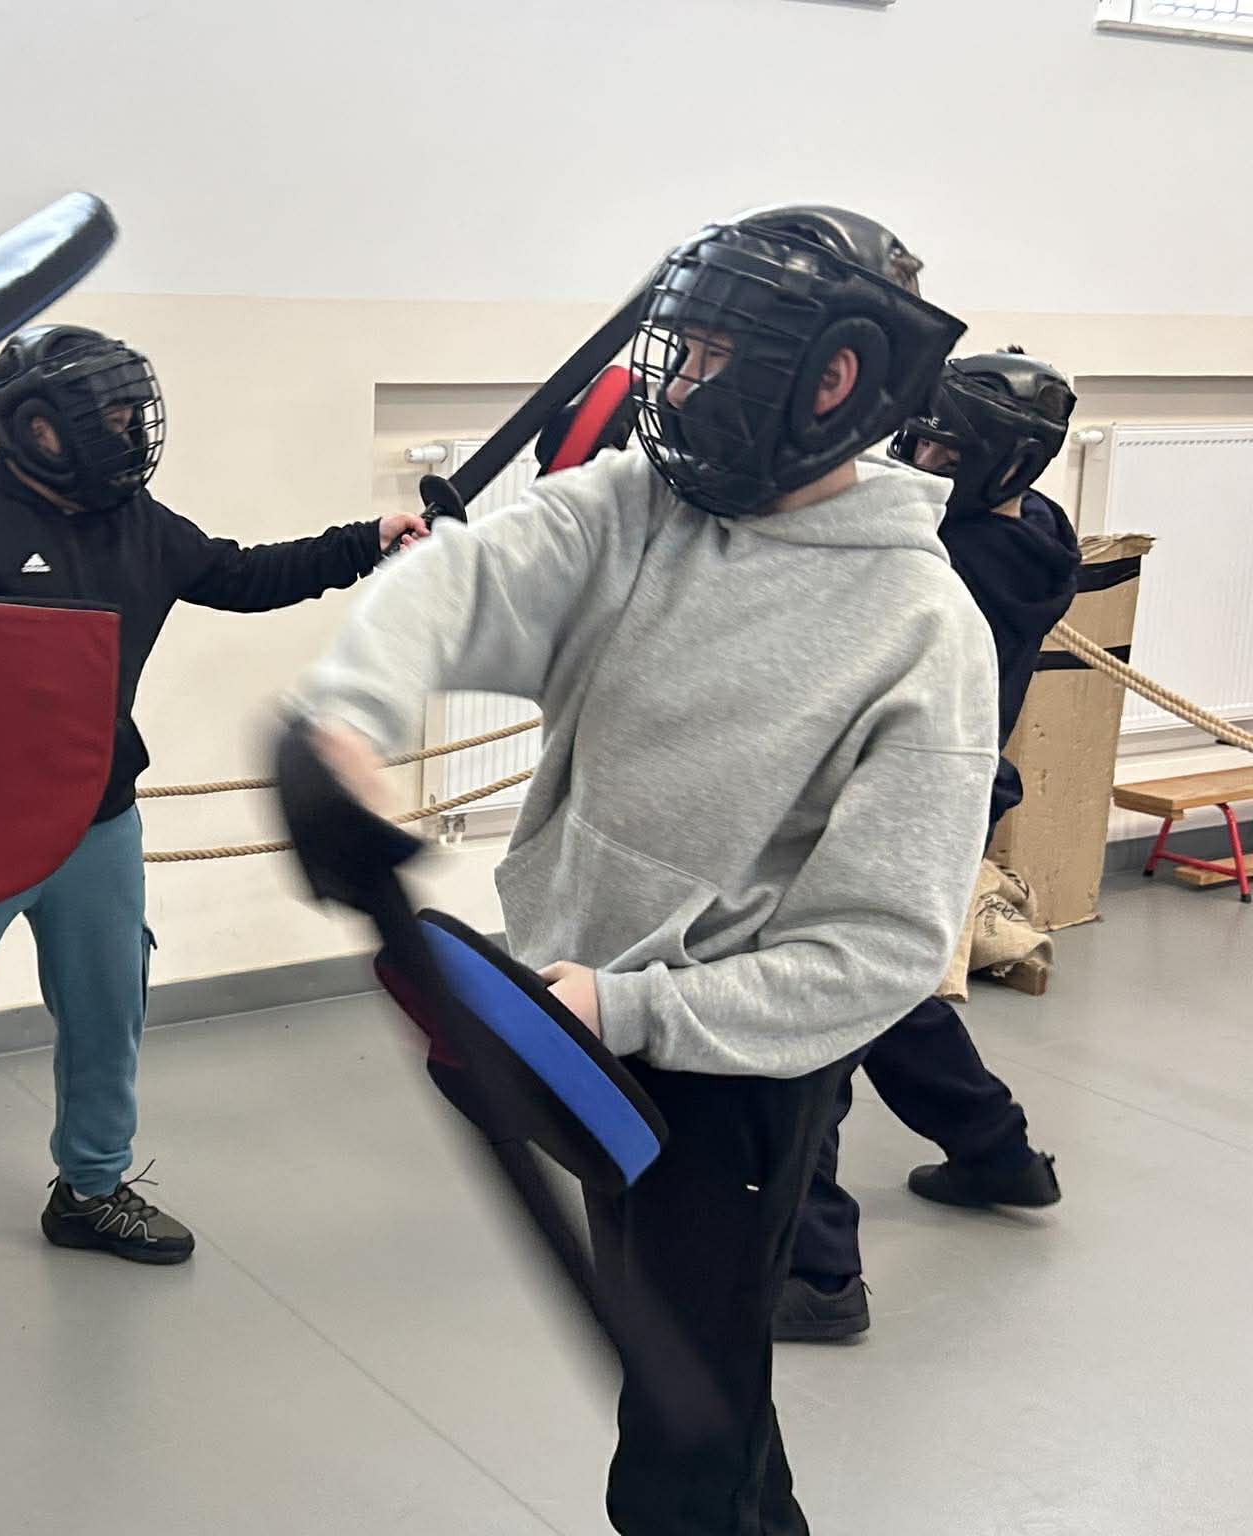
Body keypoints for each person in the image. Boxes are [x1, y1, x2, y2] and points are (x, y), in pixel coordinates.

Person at [295, 208, 993, 1535]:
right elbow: (459, 582)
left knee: (679, 1448)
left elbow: (883, 949)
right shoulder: (637, 508)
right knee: (697, 1393)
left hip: (732, 1080)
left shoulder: (919, 629)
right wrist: (349, 721)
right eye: (685, 350)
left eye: (714, 357)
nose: (674, 389)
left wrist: (627, 1010)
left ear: (831, 378)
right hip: (585, 1026)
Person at [0, 324, 431, 1350]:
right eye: (105, 416)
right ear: (39, 429)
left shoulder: (135, 523)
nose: (126, 432)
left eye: (128, 412)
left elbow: (243, 574)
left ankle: (90, 1191)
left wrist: (367, 539)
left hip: (96, 822)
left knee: (109, 1015)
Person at [777, 349, 1079, 1344]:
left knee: (816, 1013)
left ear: (1002, 461)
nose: (919, 459)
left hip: (900, 805)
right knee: (890, 987)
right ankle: (996, 1154)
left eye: (944, 449)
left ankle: (816, 1270)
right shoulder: (1033, 530)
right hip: (943, 801)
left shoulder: (954, 563)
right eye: (919, 439)